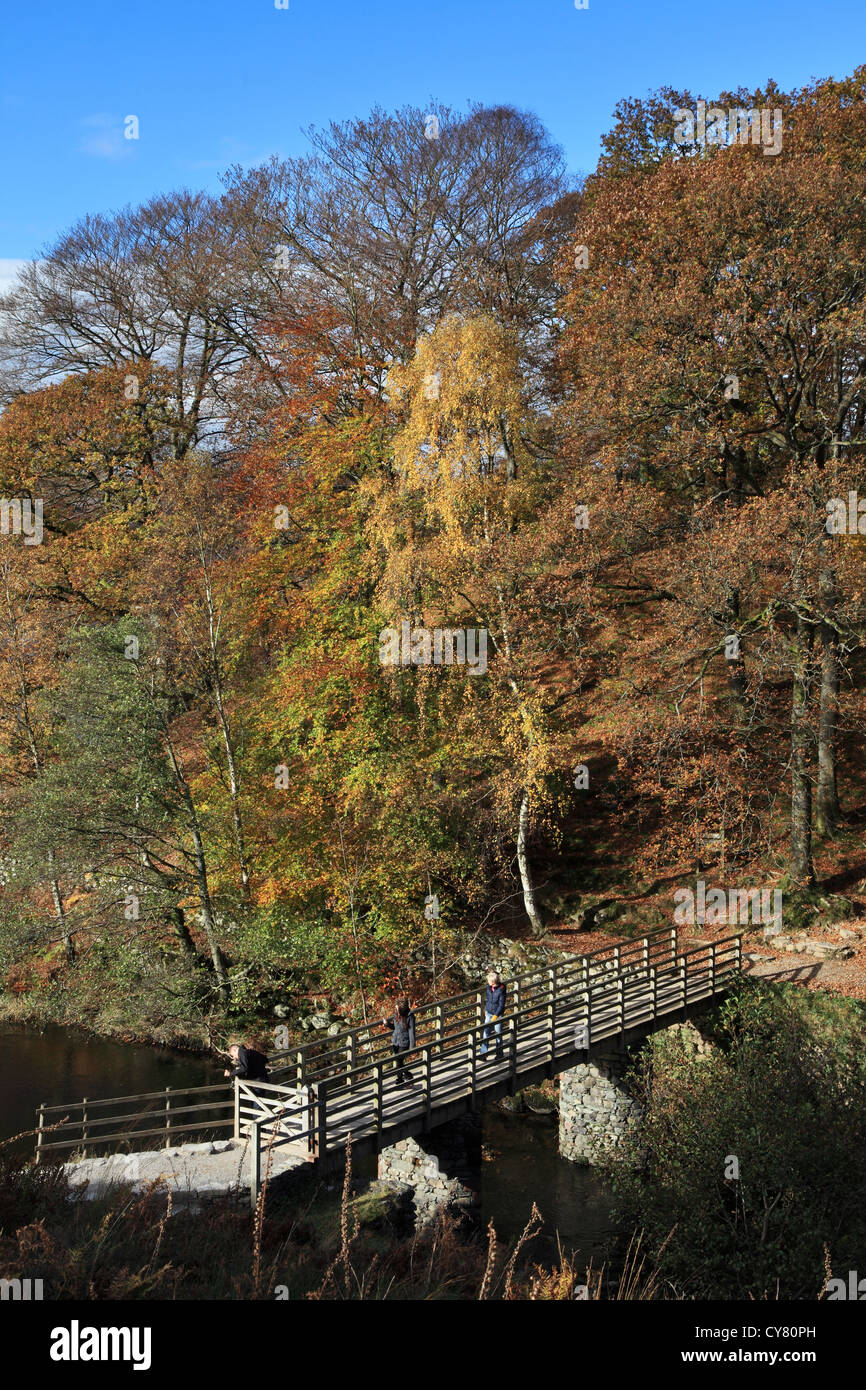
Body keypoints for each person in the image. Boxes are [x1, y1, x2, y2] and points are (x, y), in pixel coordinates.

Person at [224, 1041, 270, 1115]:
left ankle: (256, 1123)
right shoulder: (249, 1051)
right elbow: (265, 1059)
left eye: (233, 1055)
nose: (234, 1058)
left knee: (256, 1103)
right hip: (263, 1078)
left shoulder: (242, 1053)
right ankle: (260, 1121)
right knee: (259, 1101)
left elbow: (244, 1068)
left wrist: (230, 1073)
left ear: (235, 1050)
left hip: (257, 1080)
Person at [382, 997, 416, 1087]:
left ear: (401, 1008)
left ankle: (404, 1077)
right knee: (398, 1061)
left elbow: (411, 1032)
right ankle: (403, 1077)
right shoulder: (396, 1014)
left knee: (399, 1061)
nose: (395, 1008)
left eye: (397, 1007)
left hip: (404, 1042)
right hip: (396, 1041)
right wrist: (387, 1024)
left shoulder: (409, 1016)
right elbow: (395, 1028)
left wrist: (412, 1047)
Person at [480, 971, 506, 1060]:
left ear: (493, 981)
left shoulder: (501, 989)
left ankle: (499, 1053)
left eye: (489, 980)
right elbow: (488, 1000)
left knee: (498, 1034)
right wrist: (486, 1010)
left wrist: (496, 1015)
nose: (488, 982)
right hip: (489, 1013)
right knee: (485, 1033)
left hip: (497, 1014)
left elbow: (501, 1005)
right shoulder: (489, 988)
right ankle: (483, 1054)